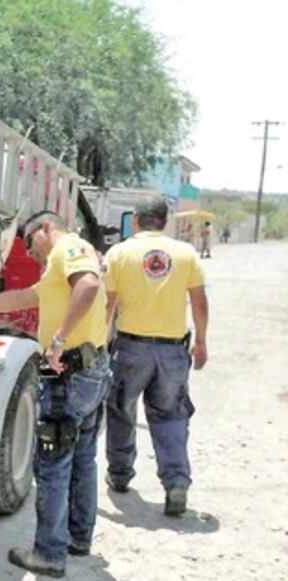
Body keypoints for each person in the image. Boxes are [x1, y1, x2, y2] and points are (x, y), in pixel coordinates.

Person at [0, 211, 110, 578]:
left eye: (31, 244)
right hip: (89, 370)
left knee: (52, 462)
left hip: (69, 374)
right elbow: (22, 298)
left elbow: (88, 285)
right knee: (82, 458)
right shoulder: (57, 267)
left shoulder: (68, 247)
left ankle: (48, 553)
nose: (31, 254)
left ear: (46, 228)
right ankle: (77, 538)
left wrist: (59, 339)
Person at [103, 195, 208, 516]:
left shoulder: (119, 253)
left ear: (135, 220)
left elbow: (108, 305)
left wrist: (100, 344)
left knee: (121, 410)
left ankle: (120, 475)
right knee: (171, 415)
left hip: (130, 349)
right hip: (172, 350)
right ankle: (175, 483)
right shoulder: (186, 253)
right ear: (165, 221)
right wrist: (201, 341)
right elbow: (199, 301)